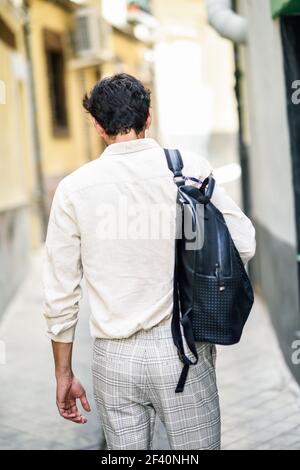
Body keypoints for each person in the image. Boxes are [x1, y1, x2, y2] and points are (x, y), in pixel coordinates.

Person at [43, 73, 256, 450]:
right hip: (182, 348)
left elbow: (60, 294)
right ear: (149, 117)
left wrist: (64, 374)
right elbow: (244, 242)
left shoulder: (74, 189)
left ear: (96, 126)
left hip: (113, 358)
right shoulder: (187, 167)